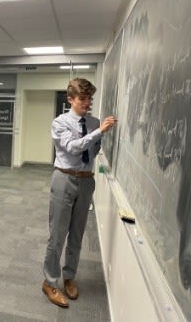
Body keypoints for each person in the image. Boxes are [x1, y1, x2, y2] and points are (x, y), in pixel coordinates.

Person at [42, 78, 117, 308]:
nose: (88, 103)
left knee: (76, 234)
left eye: (90, 99)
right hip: (64, 178)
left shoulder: (94, 122)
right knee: (57, 235)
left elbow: (94, 150)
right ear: (71, 99)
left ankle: (69, 277)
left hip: (86, 181)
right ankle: (50, 282)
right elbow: (73, 147)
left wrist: (98, 133)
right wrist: (99, 132)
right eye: (83, 99)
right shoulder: (60, 122)